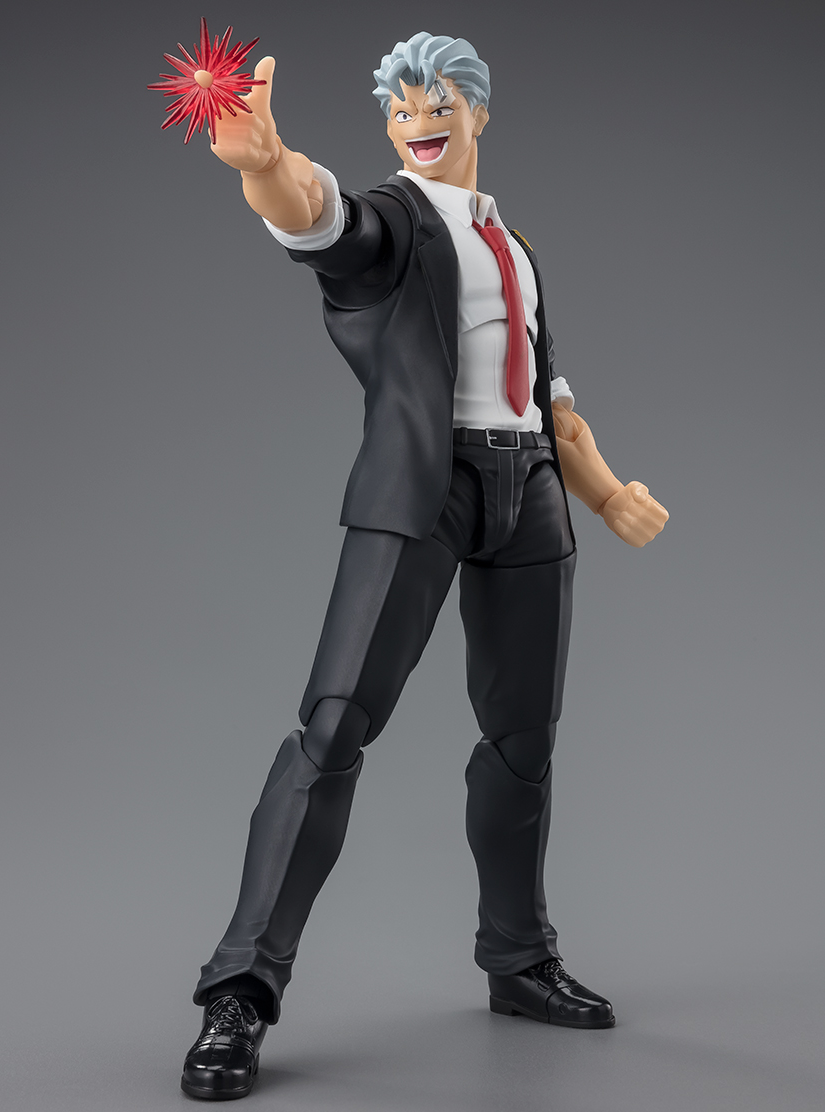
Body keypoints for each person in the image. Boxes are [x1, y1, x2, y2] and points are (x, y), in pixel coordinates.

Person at [180, 32, 669, 1102]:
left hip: (530, 489)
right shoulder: (397, 219)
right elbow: (324, 220)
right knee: (333, 728)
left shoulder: (514, 242)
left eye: (438, 101)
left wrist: (605, 491)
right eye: (400, 107)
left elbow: (549, 394)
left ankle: (519, 957)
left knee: (523, 742)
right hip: (421, 491)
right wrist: (267, 165)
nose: (418, 120)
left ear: (478, 111)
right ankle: (241, 987)